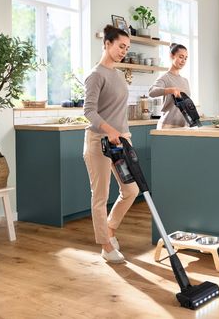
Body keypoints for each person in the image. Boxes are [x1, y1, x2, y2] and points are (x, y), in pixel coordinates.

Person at [83, 25, 139, 263]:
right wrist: (110, 131)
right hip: (99, 142)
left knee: (131, 190)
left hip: (120, 141)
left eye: (126, 48)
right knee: (100, 195)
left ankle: (110, 230)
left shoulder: (117, 74)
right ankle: (106, 246)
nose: (123, 51)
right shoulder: (96, 75)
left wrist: (122, 133)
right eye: (120, 46)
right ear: (107, 44)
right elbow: (89, 111)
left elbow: (117, 110)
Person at [149, 43, 192, 129]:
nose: (183, 61)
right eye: (181, 57)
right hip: (168, 125)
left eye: (185, 58)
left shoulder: (185, 81)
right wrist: (171, 90)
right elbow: (152, 92)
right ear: (172, 56)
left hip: (184, 125)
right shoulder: (165, 77)